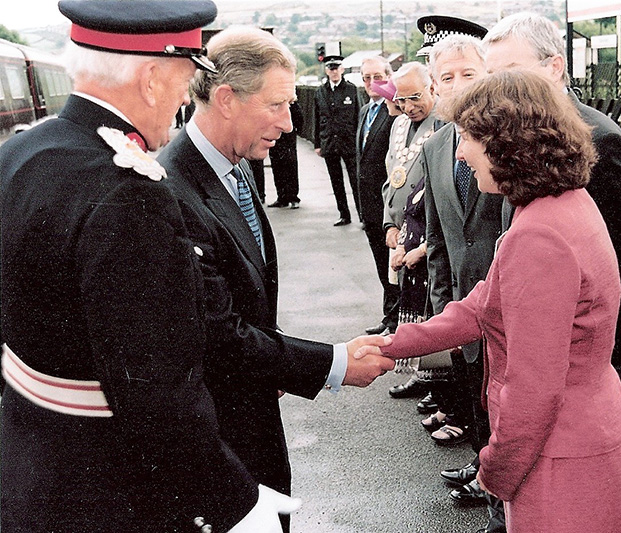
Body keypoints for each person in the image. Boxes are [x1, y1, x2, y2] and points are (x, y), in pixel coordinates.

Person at [0, 2, 301, 531]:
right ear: (150, 79)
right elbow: (159, 389)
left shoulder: (25, 153)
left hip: (32, 461)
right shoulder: (131, 194)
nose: (187, 97)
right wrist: (235, 502)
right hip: (111, 485)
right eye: (186, 80)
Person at [366, 69, 621, 533]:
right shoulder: (564, 204)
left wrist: (494, 471)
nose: (461, 150)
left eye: (469, 137)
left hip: (557, 454)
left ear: (509, 144)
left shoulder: (538, 234)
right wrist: (390, 346)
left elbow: (534, 390)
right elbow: (479, 308)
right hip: (583, 433)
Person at [156, 26, 395, 532]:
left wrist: (276, 367)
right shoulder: (172, 194)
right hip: (223, 445)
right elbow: (218, 334)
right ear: (225, 98)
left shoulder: (230, 165)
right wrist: (332, 364)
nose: (289, 124)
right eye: (276, 105)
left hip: (251, 420)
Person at [483, 13, 621, 396]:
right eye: (493, 75)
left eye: (512, 71)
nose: (500, 88)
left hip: (584, 329)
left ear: (554, 67)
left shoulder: (597, 136)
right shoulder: (512, 129)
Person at [413, 30, 508, 531]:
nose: (457, 85)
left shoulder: (510, 137)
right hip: (463, 313)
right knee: (477, 399)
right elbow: (438, 240)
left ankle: (500, 494)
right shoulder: (433, 149)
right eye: (445, 77)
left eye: (468, 74)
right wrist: (442, 307)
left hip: (508, 308)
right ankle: (483, 464)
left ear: (487, 75)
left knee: (510, 405)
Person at [382, 61, 442, 400]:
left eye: (414, 97)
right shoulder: (400, 125)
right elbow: (392, 176)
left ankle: (436, 381)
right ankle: (420, 374)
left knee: (432, 308)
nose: (407, 106)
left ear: (432, 86)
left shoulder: (444, 124)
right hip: (404, 229)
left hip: (428, 232)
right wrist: (389, 222)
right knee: (411, 302)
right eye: (401, 99)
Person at [357, 56, 400, 336]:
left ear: (388, 76)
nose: (372, 83)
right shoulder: (364, 112)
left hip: (387, 205)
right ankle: (388, 315)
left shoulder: (394, 110)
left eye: (378, 77)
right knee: (380, 263)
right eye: (366, 78)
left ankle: (395, 318)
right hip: (368, 206)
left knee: (393, 264)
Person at [315, 54, 361, 226]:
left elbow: (359, 116)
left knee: (355, 180)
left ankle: (362, 215)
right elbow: (317, 118)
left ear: (342, 69)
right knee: (336, 182)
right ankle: (344, 215)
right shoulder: (320, 92)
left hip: (349, 141)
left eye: (336, 68)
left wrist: (359, 141)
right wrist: (318, 144)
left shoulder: (351, 89)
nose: (333, 72)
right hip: (330, 142)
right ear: (327, 71)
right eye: (330, 69)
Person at [267, 100, 303, 208]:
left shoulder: (292, 103)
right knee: (277, 167)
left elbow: (299, 119)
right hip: (275, 138)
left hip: (288, 139)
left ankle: (293, 197)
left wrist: (295, 133)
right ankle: (281, 197)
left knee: (290, 167)